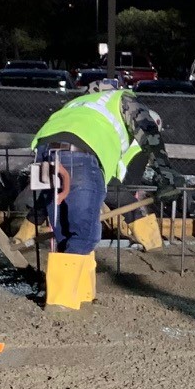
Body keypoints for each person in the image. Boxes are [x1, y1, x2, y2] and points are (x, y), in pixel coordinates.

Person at [29, 80, 163, 309]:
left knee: (64, 230)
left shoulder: (78, 104)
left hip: (43, 154)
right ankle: (61, 302)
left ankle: (81, 293)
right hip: (81, 157)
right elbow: (124, 180)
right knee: (85, 233)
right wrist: (165, 172)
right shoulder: (122, 100)